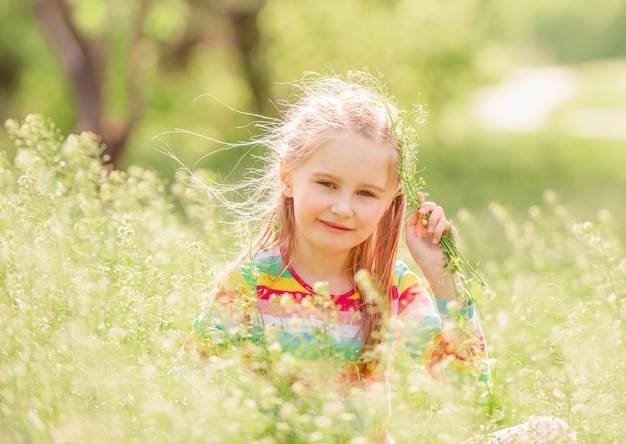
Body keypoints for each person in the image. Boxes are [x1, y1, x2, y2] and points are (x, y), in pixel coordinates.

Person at [174, 71, 576, 443]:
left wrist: (442, 276)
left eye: (366, 193)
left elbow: (470, 393)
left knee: (550, 433)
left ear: (389, 201)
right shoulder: (251, 283)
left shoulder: (390, 286)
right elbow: (184, 392)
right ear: (288, 178)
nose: (343, 208)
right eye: (327, 184)